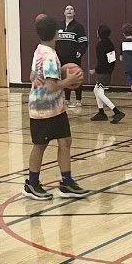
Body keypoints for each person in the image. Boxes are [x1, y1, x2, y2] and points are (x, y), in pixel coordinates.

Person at [25, 15, 89, 200]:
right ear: (57, 34)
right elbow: (51, 86)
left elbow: (32, 75)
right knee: (40, 146)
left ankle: (66, 182)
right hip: (43, 108)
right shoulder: (50, 56)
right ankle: (32, 184)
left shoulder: (40, 50)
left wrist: (59, 72)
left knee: (65, 141)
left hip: (55, 107)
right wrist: (68, 80)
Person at [89, 24, 125, 123]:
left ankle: (117, 112)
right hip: (108, 72)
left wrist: (95, 70)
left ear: (99, 33)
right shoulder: (110, 44)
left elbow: (101, 61)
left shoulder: (100, 45)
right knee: (96, 90)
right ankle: (101, 112)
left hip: (103, 73)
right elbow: (111, 61)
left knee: (100, 93)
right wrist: (109, 71)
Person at [56, 5, 87, 108]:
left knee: (76, 77)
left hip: (74, 57)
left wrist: (80, 51)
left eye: (71, 9)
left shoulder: (78, 27)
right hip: (61, 57)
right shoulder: (59, 26)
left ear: (74, 13)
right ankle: (67, 99)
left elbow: (84, 42)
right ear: (64, 12)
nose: (69, 10)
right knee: (64, 77)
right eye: (67, 9)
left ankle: (78, 100)